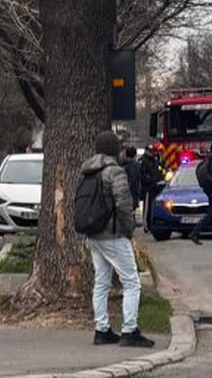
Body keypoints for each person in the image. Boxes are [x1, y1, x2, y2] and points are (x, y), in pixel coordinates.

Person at [82, 131, 154, 348]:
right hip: (113, 234)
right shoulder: (115, 172)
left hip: (93, 233)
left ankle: (101, 329)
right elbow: (123, 204)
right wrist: (129, 230)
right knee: (131, 281)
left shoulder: (88, 171)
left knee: (101, 282)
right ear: (114, 149)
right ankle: (129, 330)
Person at [138, 145, 164, 223]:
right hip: (148, 188)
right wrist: (150, 181)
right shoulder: (142, 161)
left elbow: (159, 170)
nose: (152, 153)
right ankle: (147, 223)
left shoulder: (155, 160)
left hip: (156, 187)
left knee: (154, 206)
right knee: (147, 207)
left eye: (153, 151)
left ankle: (153, 222)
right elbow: (142, 175)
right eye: (150, 151)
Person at [121, 147, 141, 211]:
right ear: (135, 155)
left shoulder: (122, 165)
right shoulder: (136, 166)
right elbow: (135, 180)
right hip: (132, 192)